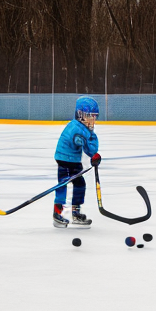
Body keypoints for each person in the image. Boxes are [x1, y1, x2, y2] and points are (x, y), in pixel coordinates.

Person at [53, 96, 101, 228]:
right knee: (62, 185)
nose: (93, 119)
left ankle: (76, 213)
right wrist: (92, 150)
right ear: (81, 115)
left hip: (72, 159)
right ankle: (57, 214)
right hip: (65, 159)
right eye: (90, 116)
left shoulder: (82, 128)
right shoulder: (76, 129)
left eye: (95, 116)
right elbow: (87, 147)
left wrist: (94, 153)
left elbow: (90, 148)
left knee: (79, 185)